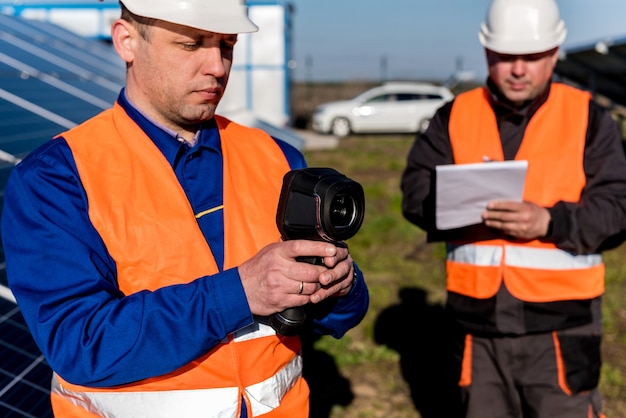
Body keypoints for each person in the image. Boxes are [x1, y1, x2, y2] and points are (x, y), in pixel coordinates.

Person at [1, 0, 369, 417]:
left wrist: (342, 285)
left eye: (226, 45)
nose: (217, 67)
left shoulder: (279, 159)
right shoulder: (57, 177)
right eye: (191, 45)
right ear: (126, 41)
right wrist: (241, 292)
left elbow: (338, 318)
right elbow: (80, 343)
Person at [400, 0, 626, 417]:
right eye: (506, 57)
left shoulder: (590, 119)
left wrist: (550, 220)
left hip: (561, 331)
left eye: (532, 57)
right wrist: (459, 200)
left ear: (554, 53)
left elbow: (617, 208)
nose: (518, 69)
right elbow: (414, 194)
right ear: (487, 52)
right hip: (476, 327)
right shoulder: (453, 116)